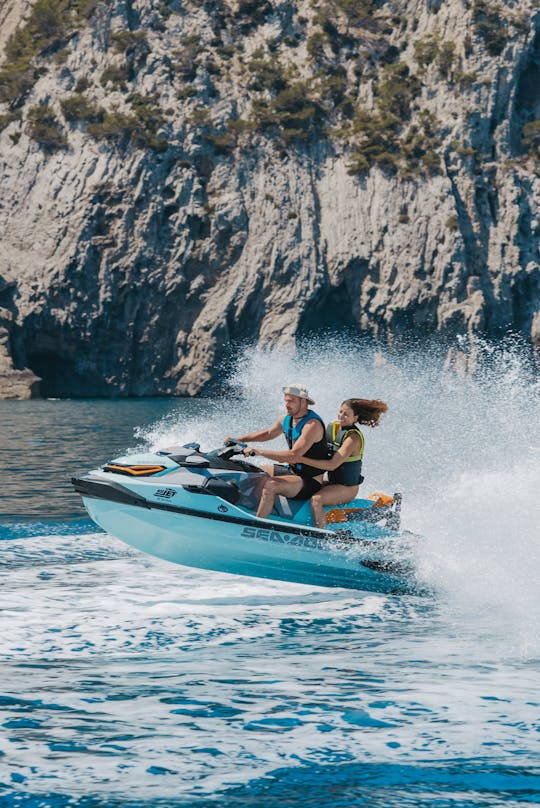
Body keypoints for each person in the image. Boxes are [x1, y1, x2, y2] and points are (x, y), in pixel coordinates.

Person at [227, 384, 328, 518]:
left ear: (303, 402)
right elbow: (268, 433)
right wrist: (239, 439)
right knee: (253, 473)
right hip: (292, 471)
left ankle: (258, 523)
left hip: (309, 480)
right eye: (285, 400)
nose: (286, 404)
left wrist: (258, 452)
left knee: (271, 485)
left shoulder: (312, 425)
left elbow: (293, 455)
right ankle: (246, 509)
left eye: (291, 401)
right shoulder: (286, 419)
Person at [294, 398, 388, 528]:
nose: (341, 416)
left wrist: (301, 459)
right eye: (340, 412)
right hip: (333, 481)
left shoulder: (353, 438)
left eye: (346, 414)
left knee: (317, 500)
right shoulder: (332, 428)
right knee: (303, 484)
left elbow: (332, 465)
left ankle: (321, 534)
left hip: (347, 488)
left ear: (355, 418)